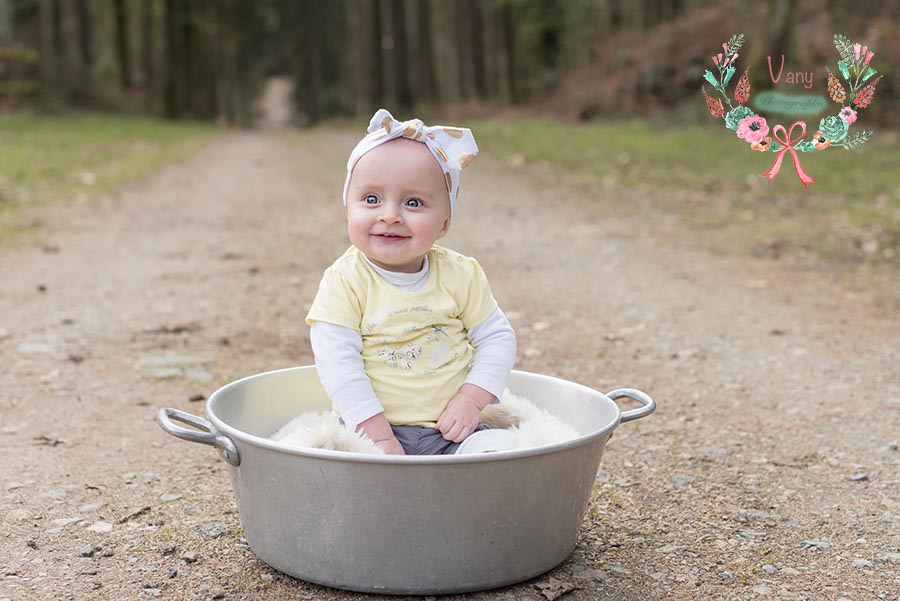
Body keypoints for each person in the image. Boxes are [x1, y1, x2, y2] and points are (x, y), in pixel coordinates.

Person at [306, 108, 517, 455]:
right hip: (367, 429)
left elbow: (496, 337)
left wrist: (471, 398)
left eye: (413, 202)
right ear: (347, 209)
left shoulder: (461, 275)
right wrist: (378, 435)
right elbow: (338, 365)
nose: (390, 215)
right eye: (371, 199)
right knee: (339, 462)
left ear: (445, 223)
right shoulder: (345, 282)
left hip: (454, 430)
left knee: (503, 450)